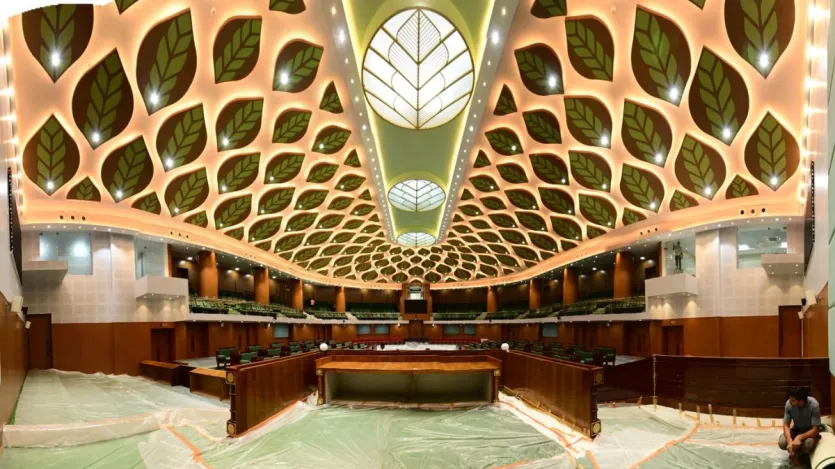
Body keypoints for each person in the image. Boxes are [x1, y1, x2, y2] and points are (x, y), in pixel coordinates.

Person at [779, 387, 821, 463]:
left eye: (793, 400)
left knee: (808, 445)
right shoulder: (789, 404)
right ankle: (794, 451)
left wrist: (799, 437)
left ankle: (798, 454)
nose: (790, 401)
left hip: (809, 432)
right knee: (782, 442)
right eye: (790, 399)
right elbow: (786, 425)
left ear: (801, 402)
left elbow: (815, 430)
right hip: (796, 429)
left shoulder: (814, 405)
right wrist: (789, 440)